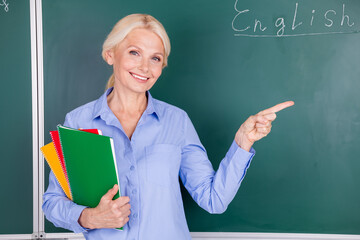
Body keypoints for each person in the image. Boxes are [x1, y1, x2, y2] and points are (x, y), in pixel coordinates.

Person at [42, 14, 294, 240]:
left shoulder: (177, 121)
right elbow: (52, 203)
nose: (144, 67)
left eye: (155, 58)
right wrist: (90, 217)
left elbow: (213, 200)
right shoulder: (78, 122)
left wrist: (242, 142)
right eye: (134, 52)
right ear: (110, 54)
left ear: (162, 67)